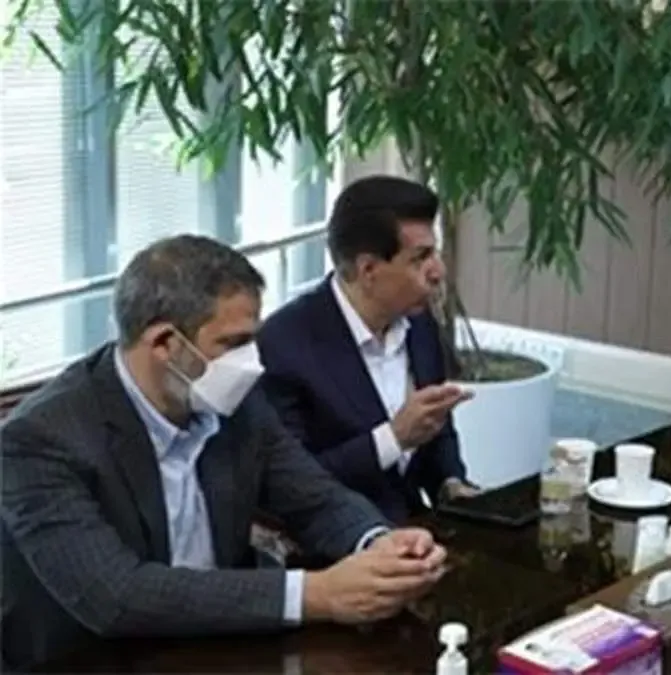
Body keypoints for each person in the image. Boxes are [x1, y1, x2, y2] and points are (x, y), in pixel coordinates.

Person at [1, 236, 447, 669]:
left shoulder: (236, 403)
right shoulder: (38, 441)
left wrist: (378, 542)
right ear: (164, 344)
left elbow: (313, 496)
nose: (252, 362)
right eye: (234, 344)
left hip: (222, 646)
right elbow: (117, 596)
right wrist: (319, 594)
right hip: (92, 660)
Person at [257, 176, 476, 524]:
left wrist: (452, 484)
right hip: (337, 539)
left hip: (419, 529)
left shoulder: (419, 322)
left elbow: (436, 430)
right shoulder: (284, 343)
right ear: (369, 270)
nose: (438, 271)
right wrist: (392, 439)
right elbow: (289, 485)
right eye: (420, 258)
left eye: (434, 253)